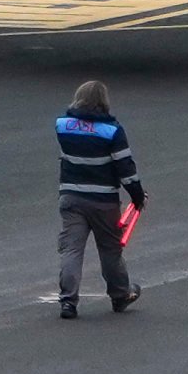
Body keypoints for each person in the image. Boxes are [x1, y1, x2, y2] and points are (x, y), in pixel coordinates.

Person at [56, 78, 144, 317]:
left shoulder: (62, 126)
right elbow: (125, 168)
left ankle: (68, 301)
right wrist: (137, 196)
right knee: (109, 250)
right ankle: (120, 295)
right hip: (103, 200)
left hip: (71, 197)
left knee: (71, 250)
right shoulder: (112, 131)